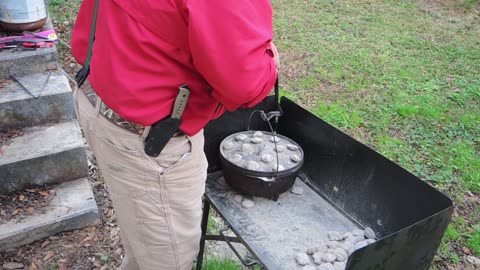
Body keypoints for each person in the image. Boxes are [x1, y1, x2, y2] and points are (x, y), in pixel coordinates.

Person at [71, 0, 279, 269]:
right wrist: (270, 61)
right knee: (169, 259)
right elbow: (244, 84)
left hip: (99, 99)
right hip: (148, 143)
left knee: (142, 240)